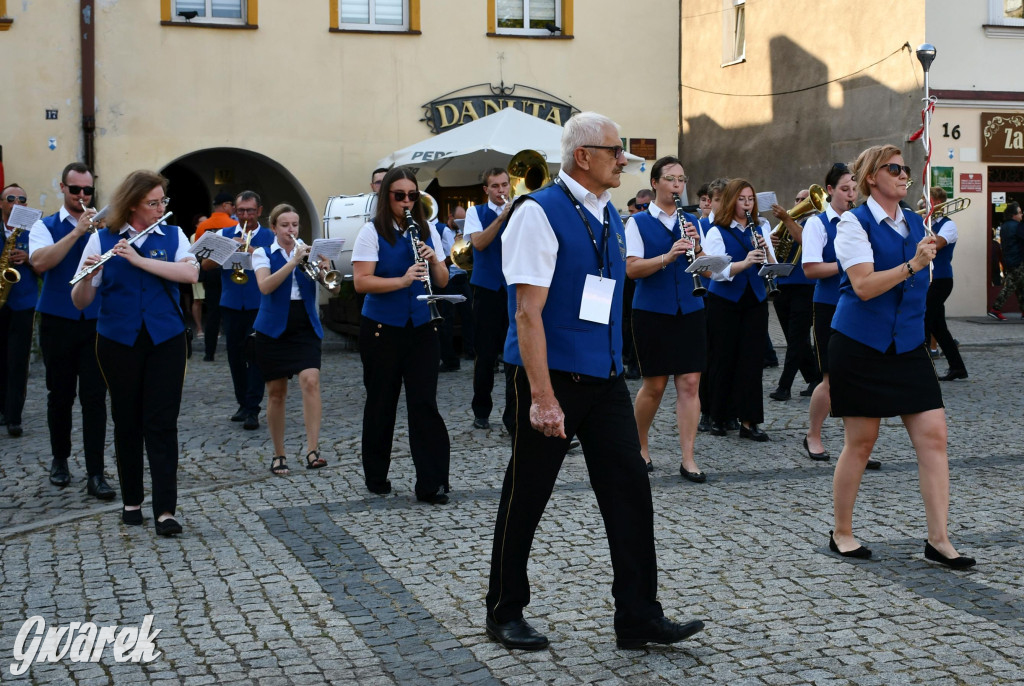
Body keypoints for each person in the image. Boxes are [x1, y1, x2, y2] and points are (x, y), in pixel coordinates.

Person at [485, 111, 705, 652]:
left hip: (604, 377)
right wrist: (541, 398)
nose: (624, 159)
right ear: (584, 156)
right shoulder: (538, 213)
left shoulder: (611, 215)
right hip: (550, 378)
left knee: (631, 493)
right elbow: (527, 314)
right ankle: (503, 610)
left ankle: (637, 615)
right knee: (527, 496)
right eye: (615, 151)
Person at [828, 145, 974, 569]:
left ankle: (939, 539)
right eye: (894, 168)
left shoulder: (916, 222)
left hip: (907, 345)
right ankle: (842, 531)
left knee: (934, 436)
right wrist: (913, 264)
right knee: (860, 443)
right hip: (859, 343)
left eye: (906, 168)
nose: (904, 174)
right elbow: (864, 286)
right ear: (873, 177)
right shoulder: (852, 224)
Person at [71, 170, 198, 536]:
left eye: (163, 201)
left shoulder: (173, 235)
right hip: (117, 340)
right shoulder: (101, 237)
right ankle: (132, 501)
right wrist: (87, 273)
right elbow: (81, 300)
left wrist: (138, 259)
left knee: (161, 422)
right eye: (153, 202)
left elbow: (189, 275)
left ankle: (165, 511)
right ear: (132, 205)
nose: (161, 208)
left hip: (165, 338)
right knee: (126, 420)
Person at [352, 167, 451, 504]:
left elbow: (443, 281)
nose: (407, 201)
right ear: (387, 198)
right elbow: (362, 281)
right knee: (382, 403)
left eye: (413, 195)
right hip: (382, 329)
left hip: (422, 326)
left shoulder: (426, 230)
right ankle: (377, 475)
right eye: (399, 196)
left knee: (425, 403)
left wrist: (433, 257)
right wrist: (402, 279)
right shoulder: (371, 231)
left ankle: (432, 483)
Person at [28, 162, 114, 500]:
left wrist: (104, 233)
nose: (81, 196)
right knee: (60, 394)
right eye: (75, 189)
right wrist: (78, 231)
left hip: (95, 320)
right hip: (57, 319)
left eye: (87, 190)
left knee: (95, 397)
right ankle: (60, 459)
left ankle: (96, 471)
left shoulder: (104, 227)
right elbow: (41, 263)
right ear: (63, 188)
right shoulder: (44, 225)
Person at [624, 156, 707, 481]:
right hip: (652, 312)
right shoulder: (638, 222)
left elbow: (707, 268)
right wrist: (667, 256)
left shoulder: (692, 221)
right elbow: (632, 269)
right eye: (671, 179)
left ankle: (688, 458)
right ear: (656, 183)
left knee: (689, 383)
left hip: (691, 307)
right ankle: (640, 444)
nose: (677, 185)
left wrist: (699, 251)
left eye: (681, 179)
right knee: (655, 385)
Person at [800, 162, 883, 468]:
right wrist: (850, 263)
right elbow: (810, 268)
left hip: (863, 304)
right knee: (831, 378)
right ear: (830, 191)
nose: (851, 194)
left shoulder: (865, 221)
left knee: (862, 377)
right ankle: (813, 434)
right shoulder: (818, 224)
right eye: (845, 189)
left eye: (854, 189)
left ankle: (858, 445)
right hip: (830, 305)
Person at [252, 204, 328, 475]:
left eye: (295, 225)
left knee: (311, 381)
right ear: (274, 228)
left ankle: (312, 449)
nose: (291, 230)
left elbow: (332, 284)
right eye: (285, 225)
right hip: (273, 328)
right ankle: (279, 453)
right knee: (276, 394)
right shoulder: (262, 252)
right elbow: (265, 286)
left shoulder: (309, 252)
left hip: (304, 324)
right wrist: (293, 262)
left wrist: (324, 269)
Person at [702, 178, 777, 441]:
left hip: (754, 299)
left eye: (751, 199)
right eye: (742, 199)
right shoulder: (715, 231)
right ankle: (718, 416)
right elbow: (715, 271)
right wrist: (745, 263)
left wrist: (767, 253)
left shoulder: (760, 227)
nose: (747, 204)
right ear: (732, 200)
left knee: (752, 360)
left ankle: (749, 421)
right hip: (724, 301)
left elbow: (772, 266)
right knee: (723, 358)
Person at [201, 191, 273, 430]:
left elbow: (275, 266)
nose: (245, 216)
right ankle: (242, 403)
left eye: (250, 211)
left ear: (259, 211)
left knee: (256, 356)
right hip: (231, 303)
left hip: (259, 304)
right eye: (240, 211)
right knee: (234, 356)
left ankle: (253, 407)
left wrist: (251, 250)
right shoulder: (223, 234)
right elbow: (206, 265)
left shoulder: (269, 236)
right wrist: (228, 248)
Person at [465, 168, 512, 430]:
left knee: (514, 354)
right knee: (485, 354)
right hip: (486, 289)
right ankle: (481, 411)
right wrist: (501, 218)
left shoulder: (519, 210)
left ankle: (512, 416)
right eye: (495, 186)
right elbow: (480, 243)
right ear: (486, 190)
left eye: (504, 185)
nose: (501, 191)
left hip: (513, 286)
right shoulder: (475, 213)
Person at [767, 189, 822, 401]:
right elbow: (773, 250)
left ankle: (784, 386)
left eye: (804, 200)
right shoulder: (786, 223)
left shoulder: (814, 223)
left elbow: (804, 241)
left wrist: (788, 218)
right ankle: (814, 377)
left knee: (797, 338)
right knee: (794, 339)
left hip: (806, 286)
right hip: (783, 285)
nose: (799, 203)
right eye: (797, 199)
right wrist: (773, 243)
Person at [0, 184, 39, 438]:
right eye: (11, 198)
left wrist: (29, 258)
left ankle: (14, 416)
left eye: (22, 199)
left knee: (18, 361)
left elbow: (47, 265)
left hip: (23, 302)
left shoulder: (35, 231)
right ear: (1, 203)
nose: (17, 202)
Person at [923, 187, 968, 380]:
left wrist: (926, 225)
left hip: (941, 279)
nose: (925, 206)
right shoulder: (926, 222)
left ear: (939, 202)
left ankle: (922, 370)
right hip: (927, 279)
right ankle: (957, 367)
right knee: (938, 326)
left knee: (923, 320)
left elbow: (937, 244)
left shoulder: (949, 225)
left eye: (928, 202)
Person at [195, 192, 237, 360]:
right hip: (229, 271)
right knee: (230, 312)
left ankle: (209, 353)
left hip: (210, 272)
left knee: (212, 314)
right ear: (226, 205)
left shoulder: (203, 226)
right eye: (232, 205)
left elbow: (198, 252)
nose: (233, 209)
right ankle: (233, 349)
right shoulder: (233, 224)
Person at [438, 206, 474, 371]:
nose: (461, 224)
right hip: (449, 279)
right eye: (458, 221)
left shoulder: (462, 233)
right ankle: (450, 359)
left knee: (469, 316)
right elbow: (442, 260)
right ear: (450, 217)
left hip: (462, 277)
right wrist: (455, 249)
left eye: (463, 221)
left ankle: (470, 351)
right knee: (448, 320)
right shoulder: (443, 232)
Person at [989, 202, 1022, 320]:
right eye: (1019, 212)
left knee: (1020, 286)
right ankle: (996, 309)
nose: (1021, 215)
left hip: (1009, 259)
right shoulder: (1018, 226)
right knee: (1011, 286)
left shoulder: (1004, 226)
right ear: (1014, 215)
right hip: (1018, 260)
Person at [188, 213, 208, 340]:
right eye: (201, 222)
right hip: (198, 270)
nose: (204, 224)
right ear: (196, 225)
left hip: (210, 271)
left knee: (213, 301)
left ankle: (215, 328)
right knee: (198, 300)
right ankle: (199, 328)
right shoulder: (194, 236)